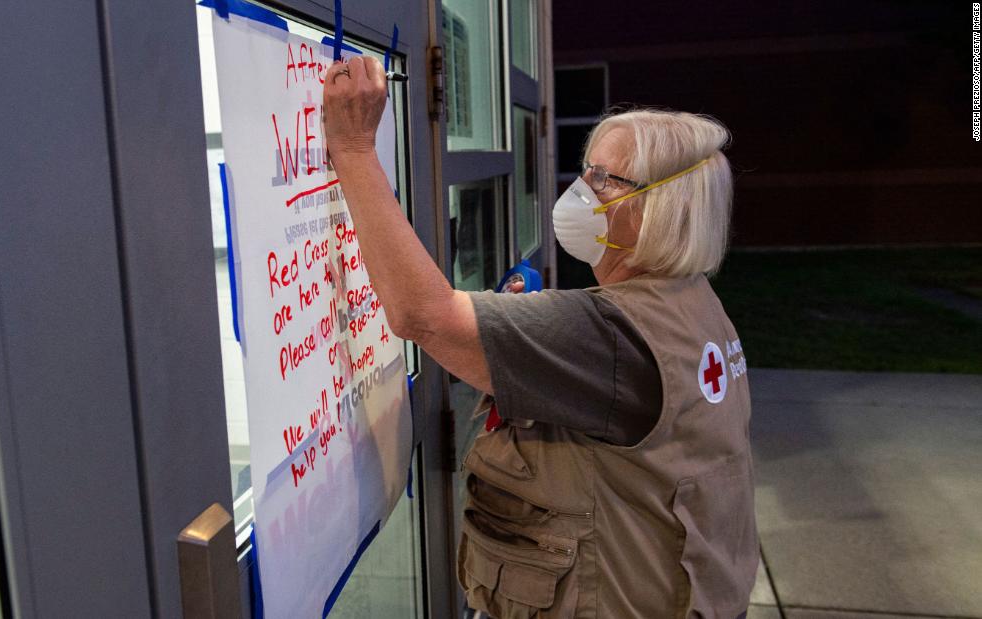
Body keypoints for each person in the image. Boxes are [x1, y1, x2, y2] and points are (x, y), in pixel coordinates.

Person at [323, 56, 757, 619]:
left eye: (605, 178)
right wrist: (539, 347)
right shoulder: (691, 301)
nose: (582, 189)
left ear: (661, 208)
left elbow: (422, 315)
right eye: (586, 169)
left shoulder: (610, 331)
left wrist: (354, 150)